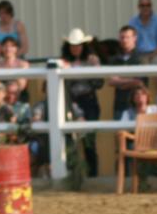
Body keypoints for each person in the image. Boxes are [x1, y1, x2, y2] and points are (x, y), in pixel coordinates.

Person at [59, 28, 102, 177]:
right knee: (70, 140)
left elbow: (99, 83)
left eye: (78, 45)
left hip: (89, 101)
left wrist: (95, 68)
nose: (75, 48)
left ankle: (92, 175)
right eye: (72, 45)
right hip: (71, 102)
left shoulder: (91, 60)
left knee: (89, 141)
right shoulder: (64, 63)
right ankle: (73, 174)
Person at [129, 0, 157, 107]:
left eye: (148, 5)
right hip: (140, 54)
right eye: (142, 5)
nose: (145, 8)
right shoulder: (133, 22)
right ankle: (139, 103)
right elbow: (131, 43)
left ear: (151, 6)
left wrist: (152, 55)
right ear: (138, 7)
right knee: (135, 68)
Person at [106, 24, 144, 118]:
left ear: (135, 38)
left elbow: (139, 81)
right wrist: (130, 80)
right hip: (119, 105)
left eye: (127, 37)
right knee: (120, 132)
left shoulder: (141, 58)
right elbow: (111, 81)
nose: (124, 40)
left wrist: (120, 82)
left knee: (139, 133)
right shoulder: (114, 59)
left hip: (137, 106)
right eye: (122, 37)